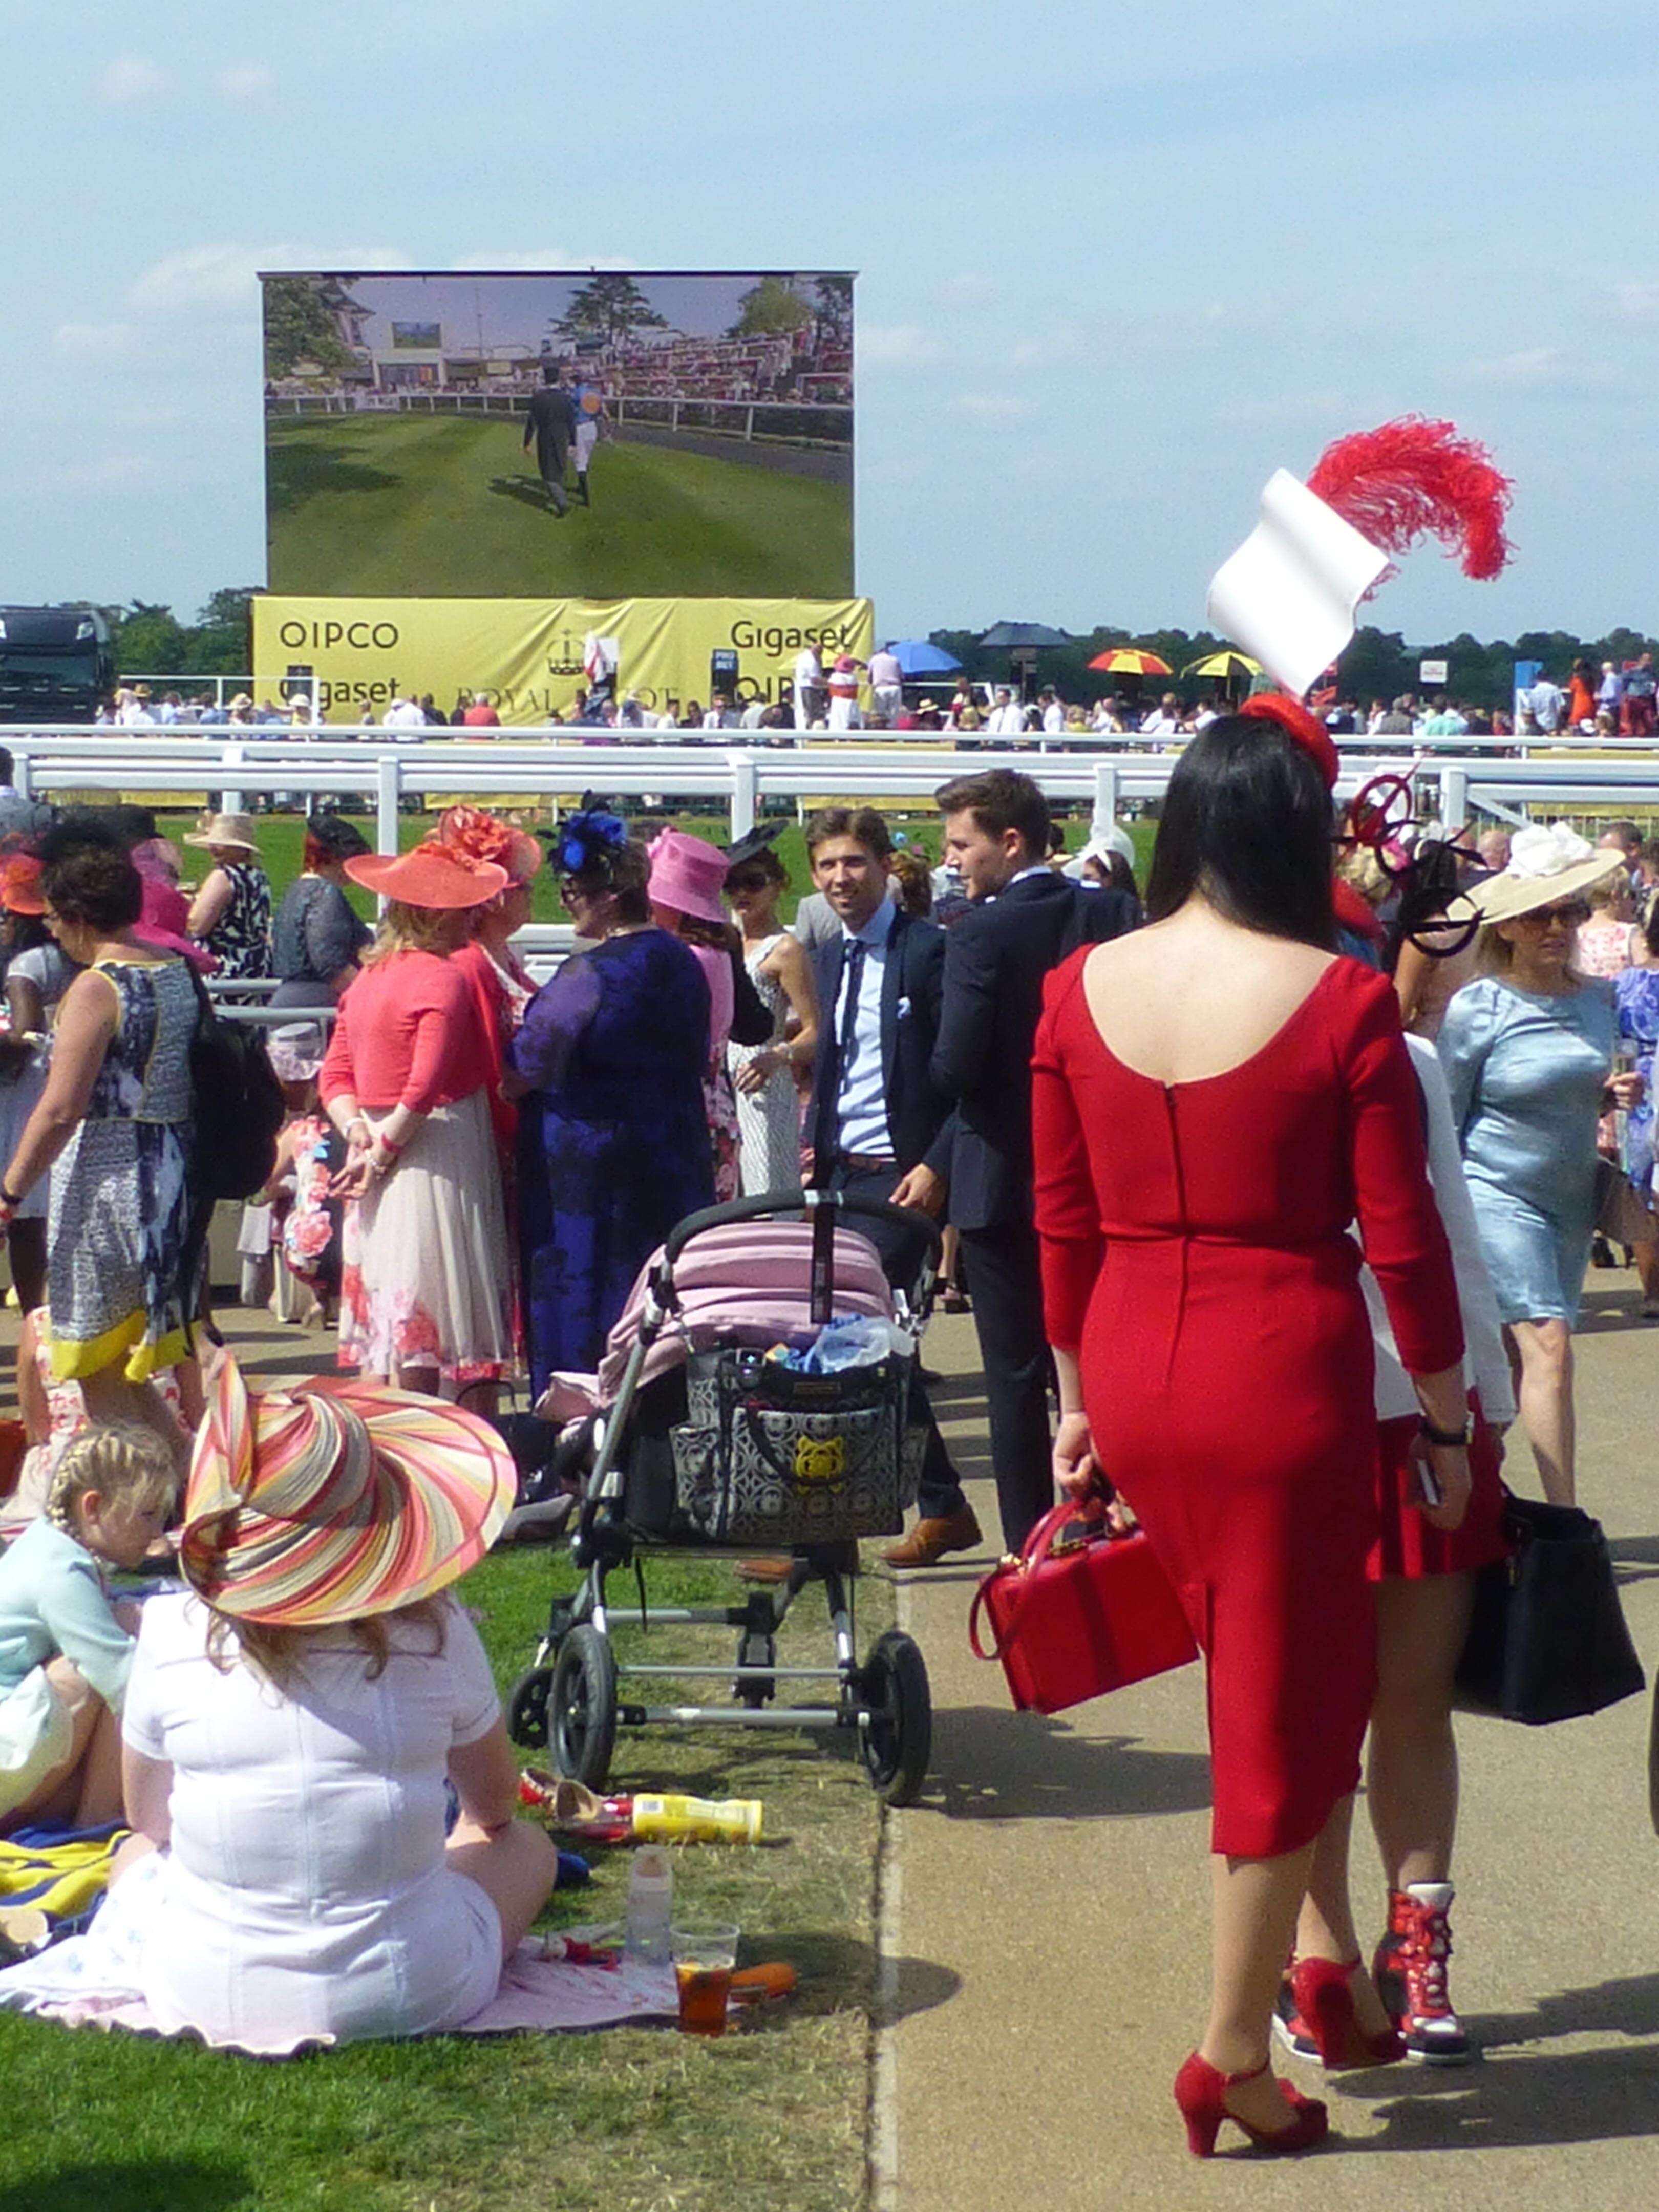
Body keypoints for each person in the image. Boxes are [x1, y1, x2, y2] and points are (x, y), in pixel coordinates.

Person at [1032, 700, 1470, 2157]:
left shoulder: (1076, 983)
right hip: (1278, 1361)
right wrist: (1447, 1417)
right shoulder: (1337, 998)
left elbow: (1060, 1218)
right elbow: (1401, 1239)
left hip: (1132, 1356)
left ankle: (1324, 1966)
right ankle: (1229, 2050)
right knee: (1285, 1706)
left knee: (1267, 1678)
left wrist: (1076, 1404)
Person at [110, 1359, 556, 2051]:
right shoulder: (436, 1633)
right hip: (415, 1985)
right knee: (527, 1847)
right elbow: (495, 1807)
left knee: (133, 1852)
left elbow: (147, 1819)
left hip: (205, 1991)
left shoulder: (170, 1632)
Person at [1277, 1031, 1515, 2071]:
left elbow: (1449, 1225)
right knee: (1319, 1709)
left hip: (1405, 1411)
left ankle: (1406, 1949)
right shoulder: (1191, 1030)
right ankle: (1323, 1951)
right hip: (1297, 1413)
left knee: (1401, 1698)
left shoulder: (1396, 1053)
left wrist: (1483, 1404)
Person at [930, 769, 1139, 1553]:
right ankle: (1107, 1524)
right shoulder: (1113, 913)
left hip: (1002, 1174)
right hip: (1098, 1170)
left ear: (1010, 842)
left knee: (1014, 1376)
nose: (951, 860)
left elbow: (955, 1066)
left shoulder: (979, 933)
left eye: (962, 844)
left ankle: (1029, 1547)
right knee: (1098, 1364)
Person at [1438, 823, 1639, 1506]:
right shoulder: (1479, 1006)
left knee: (1509, 1364)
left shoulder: (1598, 999)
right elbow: (1447, 1117)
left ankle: (1471, 1497)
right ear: (1508, 927)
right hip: (1495, 1194)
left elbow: (1577, 1085)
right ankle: (1565, 1523)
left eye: (1569, 911)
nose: (1556, 927)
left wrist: (1612, 1094)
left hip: (1571, 1202)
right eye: (1538, 915)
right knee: (1550, 1346)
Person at [803, 807, 982, 1568]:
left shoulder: (929, 951)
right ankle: (935, 1507)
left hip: (900, 1179)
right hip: (839, 1172)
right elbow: (837, 1063)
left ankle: (834, 1532)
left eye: (853, 863)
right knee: (844, 1345)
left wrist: (938, 1164)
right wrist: (815, 1148)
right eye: (827, 866)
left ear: (884, 867)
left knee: (854, 1334)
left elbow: (971, 1075)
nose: (840, 878)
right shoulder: (832, 957)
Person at [505, 809, 714, 1396]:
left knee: (587, 1297)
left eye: (574, 891)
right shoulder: (684, 961)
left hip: (590, 1174)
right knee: (660, 1292)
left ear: (611, 896)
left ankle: (580, 1420)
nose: (565, 901)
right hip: (674, 1154)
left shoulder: (586, 975)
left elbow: (523, 1069)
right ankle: (659, 1412)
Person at [0, 831, 197, 1452]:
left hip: (108, 1178)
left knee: (93, 1359)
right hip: (170, 1170)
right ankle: (188, 1480)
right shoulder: (174, 971)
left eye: (55, 918)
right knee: (125, 1363)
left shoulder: (96, 987)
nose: (51, 929)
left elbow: (62, 1108)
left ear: (81, 917)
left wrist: (10, 1193)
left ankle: (150, 1490)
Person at [321, 841, 514, 1402]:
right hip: (435, 1149)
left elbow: (334, 1074)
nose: (473, 918)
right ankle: (444, 1430)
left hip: (375, 1139)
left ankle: (401, 1430)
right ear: (436, 915)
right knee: (434, 1307)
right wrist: (382, 1153)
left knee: (395, 1308)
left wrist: (358, 1132)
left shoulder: (368, 978)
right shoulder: (443, 978)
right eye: (463, 908)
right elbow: (425, 1086)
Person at [0, 1425, 177, 1835]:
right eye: (147, 1515)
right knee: (113, 1665)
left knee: (124, 1622)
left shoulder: (46, 1540)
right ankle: (101, 1815)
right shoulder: (60, 1571)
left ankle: (95, 1805)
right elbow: (124, 1681)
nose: (157, 1533)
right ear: (93, 1507)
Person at [648, 828, 773, 1203]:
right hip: (718, 1104)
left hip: (679, 1107)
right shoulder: (721, 950)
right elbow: (754, 1027)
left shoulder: (678, 959)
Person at [0, 856, 75, 1318]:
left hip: (23, 1093)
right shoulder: (74, 958)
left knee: (22, 1213)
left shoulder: (27, 964)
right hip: (59, 1085)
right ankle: (39, 1312)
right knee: (38, 1217)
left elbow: (24, 1033)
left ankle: (32, 1314)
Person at [724, 834, 819, 1197]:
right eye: (732, 884)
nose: (742, 893)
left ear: (778, 885)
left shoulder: (785, 949)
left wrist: (779, 1056)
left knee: (766, 1192)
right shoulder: (726, 939)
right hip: (723, 1084)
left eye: (754, 882)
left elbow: (815, 1030)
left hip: (763, 1082)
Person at [270, 813, 373, 1009]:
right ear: (335, 858)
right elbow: (329, 963)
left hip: (289, 998)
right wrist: (369, 997)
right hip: (317, 1004)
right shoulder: (324, 893)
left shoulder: (295, 891)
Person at [1615, 901, 1659, 1318]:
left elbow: (1613, 1037)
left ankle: (1652, 1291)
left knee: (1643, 1189)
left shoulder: (1626, 983)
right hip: (1642, 1087)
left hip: (1640, 1088)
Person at [183, 812, 271, 981]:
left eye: (222, 844)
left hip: (224, 970)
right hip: (257, 967)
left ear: (241, 849)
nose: (213, 848)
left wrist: (187, 905)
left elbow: (197, 925)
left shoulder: (223, 877)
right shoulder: (260, 877)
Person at [523, 361, 575, 516]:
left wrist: (527, 442)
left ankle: (562, 502)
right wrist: (574, 442)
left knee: (548, 472)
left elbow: (531, 423)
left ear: (545, 379)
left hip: (545, 436)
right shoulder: (566, 398)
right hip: (562, 436)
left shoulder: (538, 398)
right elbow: (571, 421)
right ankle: (559, 495)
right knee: (559, 467)